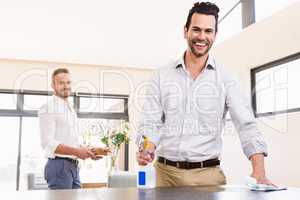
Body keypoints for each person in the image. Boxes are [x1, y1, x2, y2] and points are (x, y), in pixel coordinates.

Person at [136, 2, 275, 187]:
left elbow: (246, 125)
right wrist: (147, 148)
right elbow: (151, 123)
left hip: (208, 177)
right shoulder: (161, 76)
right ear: (185, 31)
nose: (202, 37)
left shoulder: (227, 78)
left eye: (208, 31)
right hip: (165, 176)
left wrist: (259, 172)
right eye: (196, 29)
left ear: (215, 35)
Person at [39, 68, 109, 189]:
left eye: (68, 82)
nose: (66, 86)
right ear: (53, 85)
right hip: (59, 166)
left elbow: (72, 142)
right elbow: (47, 143)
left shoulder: (70, 109)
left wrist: (91, 151)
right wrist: (77, 152)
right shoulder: (48, 108)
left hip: (73, 166)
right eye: (61, 83)